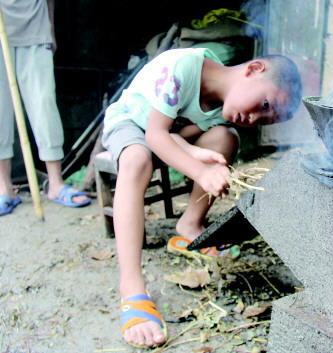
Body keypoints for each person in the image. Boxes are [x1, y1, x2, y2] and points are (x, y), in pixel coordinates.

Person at [101, 47, 301, 348]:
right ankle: (132, 288)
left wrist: (195, 151)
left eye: (264, 120)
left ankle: (189, 226)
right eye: (264, 103)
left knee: (225, 138)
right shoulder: (185, 67)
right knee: (137, 160)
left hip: (166, 135)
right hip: (131, 124)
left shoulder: (217, 108)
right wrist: (200, 170)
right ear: (254, 68)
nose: (254, 118)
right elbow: (155, 134)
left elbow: (176, 137)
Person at [0, 0, 91, 216]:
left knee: (44, 105)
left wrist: (50, 30)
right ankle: (5, 188)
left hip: (35, 30)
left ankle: (55, 184)